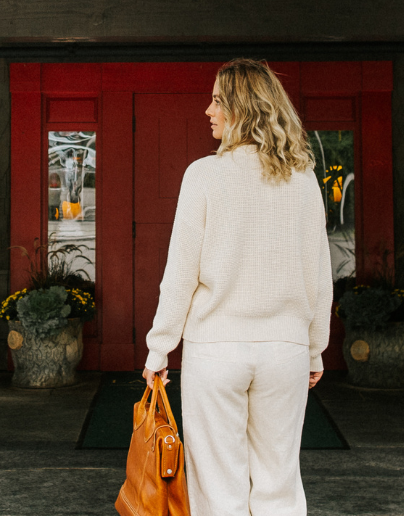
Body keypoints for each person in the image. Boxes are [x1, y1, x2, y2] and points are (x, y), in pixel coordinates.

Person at [142, 58, 332, 516]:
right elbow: (318, 274)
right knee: (279, 485)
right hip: (284, 351)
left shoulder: (203, 175)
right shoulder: (303, 178)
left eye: (217, 100)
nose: (207, 110)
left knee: (217, 489)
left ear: (240, 108)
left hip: (216, 351)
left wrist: (159, 349)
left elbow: (181, 272)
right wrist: (314, 348)